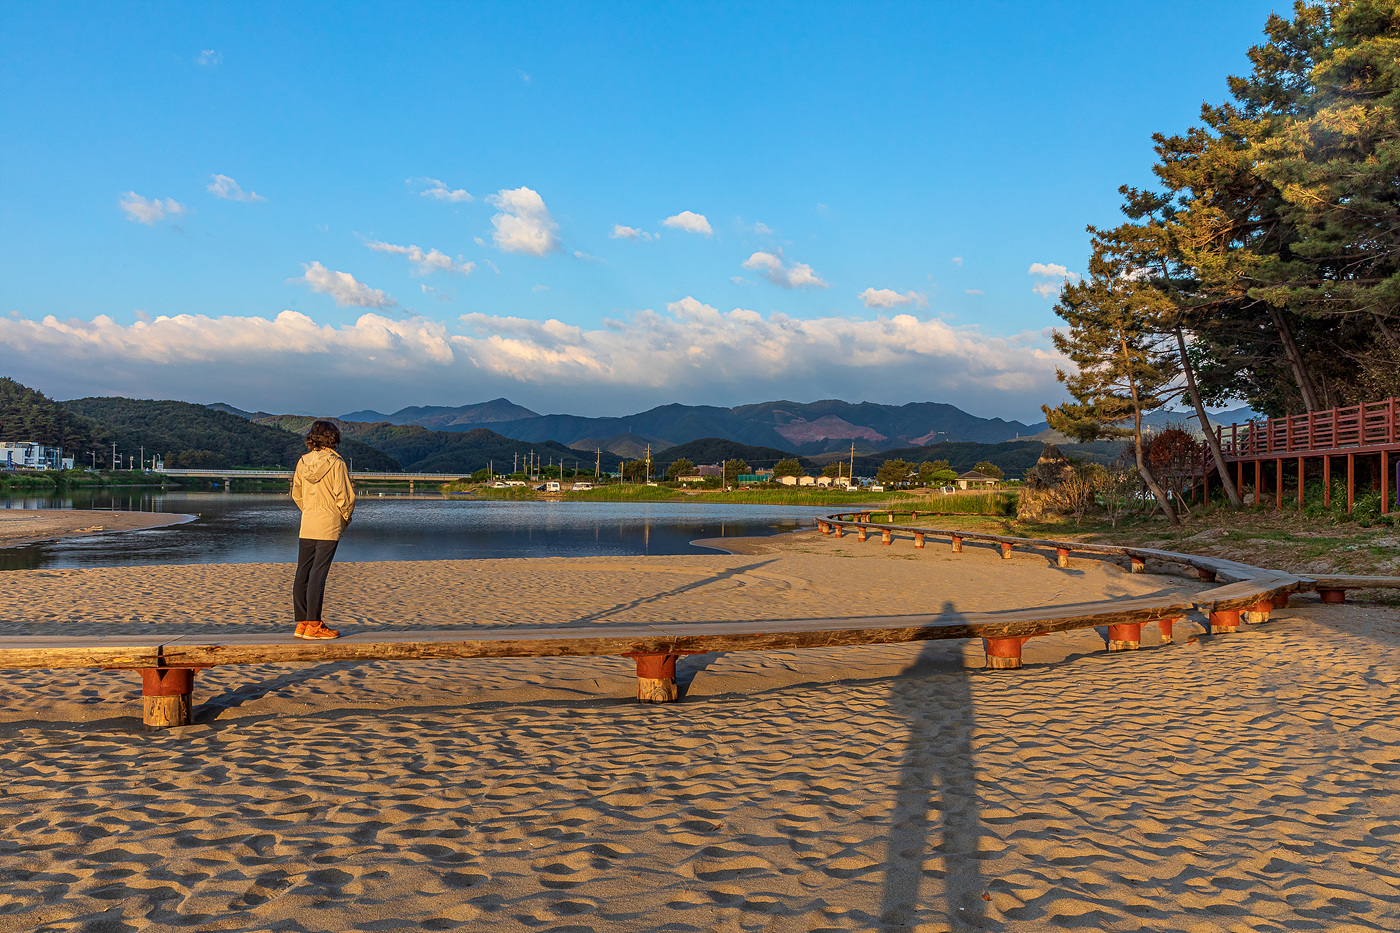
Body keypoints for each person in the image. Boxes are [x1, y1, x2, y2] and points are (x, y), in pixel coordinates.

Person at [291, 419, 356, 639]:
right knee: (318, 574)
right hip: (328, 523)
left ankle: (303, 623)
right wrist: (344, 518)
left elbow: (296, 494)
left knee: (303, 572)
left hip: (308, 522)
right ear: (333, 437)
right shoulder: (337, 463)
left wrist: (309, 510)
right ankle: (314, 624)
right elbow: (345, 497)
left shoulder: (303, 461)